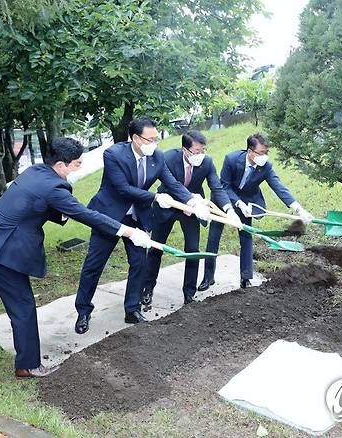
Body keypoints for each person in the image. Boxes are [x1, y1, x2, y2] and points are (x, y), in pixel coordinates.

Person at [0, 137, 152, 378]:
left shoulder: (35, 172)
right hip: (3, 250)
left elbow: (34, 203)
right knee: (23, 306)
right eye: (77, 163)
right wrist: (129, 231)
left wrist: (61, 214)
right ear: (61, 164)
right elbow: (86, 214)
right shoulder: (54, 187)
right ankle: (27, 365)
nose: (80, 167)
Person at [74, 116, 210, 334]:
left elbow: (171, 182)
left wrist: (192, 201)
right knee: (94, 264)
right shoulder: (113, 154)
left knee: (139, 263)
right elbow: (122, 188)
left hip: (136, 216)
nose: (154, 144)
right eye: (150, 139)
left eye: (156, 138)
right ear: (136, 138)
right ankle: (83, 311)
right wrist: (155, 197)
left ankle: (132, 309)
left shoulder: (156, 155)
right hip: (109, 215)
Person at [198, 133, 314, 290]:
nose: (264, 156)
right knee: (213, 238)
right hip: (224, 201)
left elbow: (279, 187)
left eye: (267, 152)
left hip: (248, 204)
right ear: (250, 151)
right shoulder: (231, 159)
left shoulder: (266, 166)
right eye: (261, 153)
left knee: (246, 238)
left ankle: (245, 278)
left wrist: (299, 209)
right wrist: (237, 204)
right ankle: (208, 277)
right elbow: (224, 185)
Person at [141, 130, 242, 306]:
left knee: (193, 250)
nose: (201, 155)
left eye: (203, 150)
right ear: (185, 150)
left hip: (194, 210)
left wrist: (229, 210)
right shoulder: (168, 158)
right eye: (197, 151)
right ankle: (147, 289)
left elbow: (217, 187)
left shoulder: (207, 161)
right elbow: (172, 185)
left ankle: (189, 294)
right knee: (156, 247)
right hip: (168, 204)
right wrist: (190, 201)